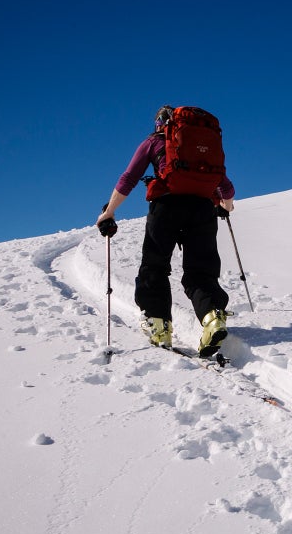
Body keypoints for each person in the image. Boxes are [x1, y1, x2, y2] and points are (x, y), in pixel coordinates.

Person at [96, 105, 235, 355]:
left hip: (166, 206)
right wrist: (226, 206)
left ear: (161, 122)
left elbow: (128, 178)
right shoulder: (201, 151)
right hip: (203, 209)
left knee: (155, 265)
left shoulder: (154, 142)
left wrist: (109, 212)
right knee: (201, 271)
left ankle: (159, 325)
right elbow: (225, 185)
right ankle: (213, 316)